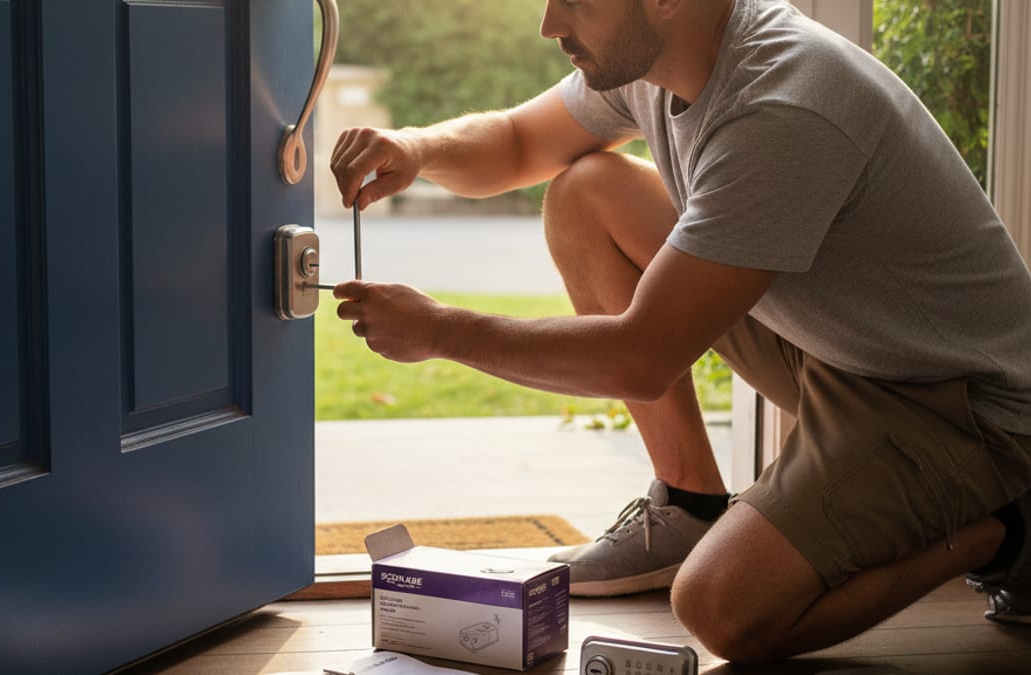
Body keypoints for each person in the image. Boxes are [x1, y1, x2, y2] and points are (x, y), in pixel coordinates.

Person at [329, 0, 1031, 663]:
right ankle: (688, 504)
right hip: (842, 344)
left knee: (721, 608)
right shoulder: (656, 58)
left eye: (574, 0)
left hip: (957, 406)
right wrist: (415, 147)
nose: (549, 24)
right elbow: (518, 142)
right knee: (585, 194)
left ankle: (1008, 529)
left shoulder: (784, 104)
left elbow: (640, 358)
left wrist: (441, 331)